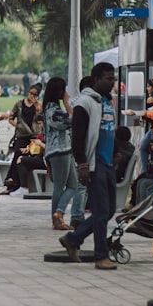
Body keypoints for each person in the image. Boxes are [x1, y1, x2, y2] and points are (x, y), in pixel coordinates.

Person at [58, 62, 119, 270]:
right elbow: (78, 136)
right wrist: (82, 164)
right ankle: (101, 256)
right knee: (101, 211)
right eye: (108, 78)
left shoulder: (108, 101)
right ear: (96, 79)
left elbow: (111, 130)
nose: (112, 82)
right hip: (94, 164)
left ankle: (73, 239)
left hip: (108, 162)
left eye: (113, 78)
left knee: (109, 210)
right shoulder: (85, 103)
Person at [44, 77, 85, 230]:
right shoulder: (53, 110)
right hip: (59, 151)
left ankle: (58, 213)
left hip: (63, 150)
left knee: (73, 185)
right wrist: (68, 103)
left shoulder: (50, 108)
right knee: (60, 187)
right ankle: (57, 216)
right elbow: (71, 120)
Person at [4, 83, 42, 195]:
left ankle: (17, 184)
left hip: (33, 136)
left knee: (24, 159)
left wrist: (38, 110)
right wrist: (17, 125)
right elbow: (11, 117)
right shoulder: (19, 104)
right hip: (21, 135)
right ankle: (11, 183)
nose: (32, 96)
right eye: (31, 93)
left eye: (35, 95)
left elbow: (40, 121)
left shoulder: (38, 106)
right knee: (17, 156)